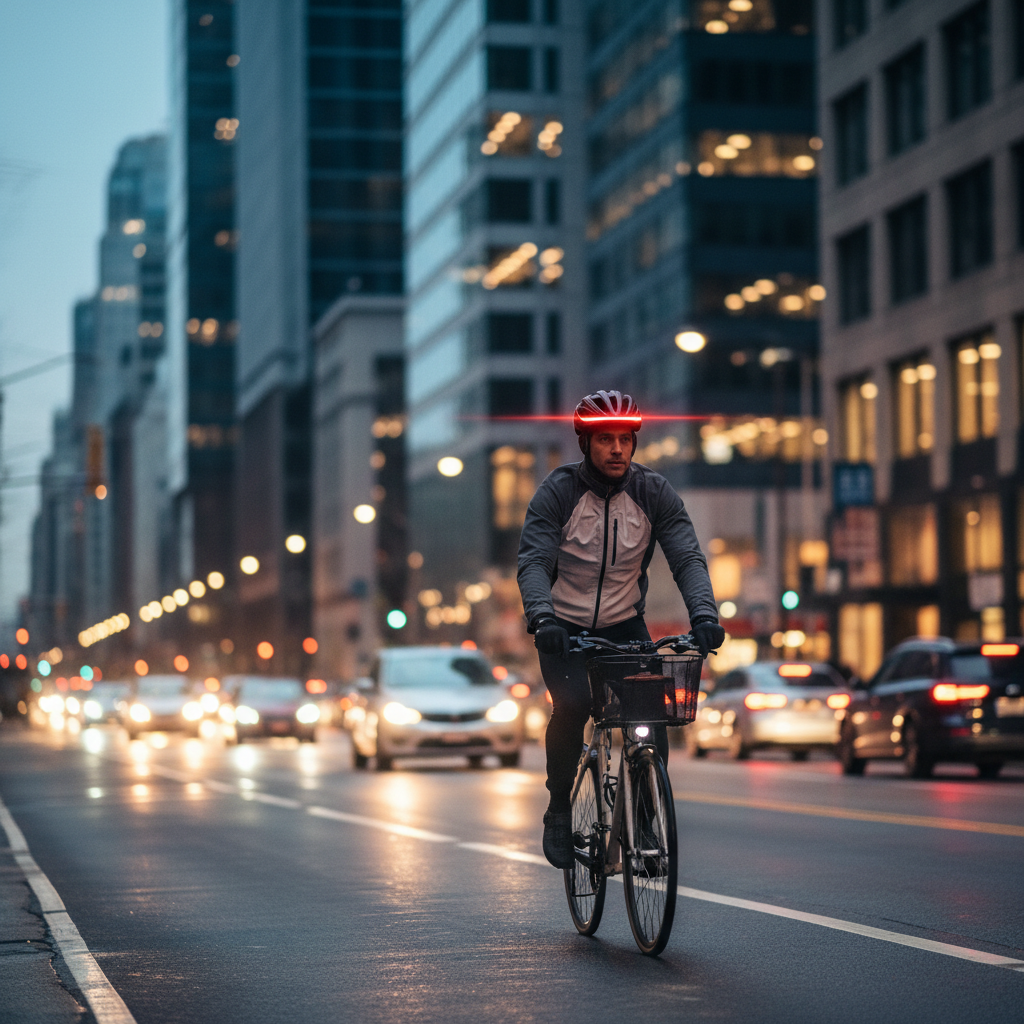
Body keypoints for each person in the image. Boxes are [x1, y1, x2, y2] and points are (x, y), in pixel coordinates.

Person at [517, 390, 724, 869]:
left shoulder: (653, 493)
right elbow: (533, 561)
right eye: (605, 439)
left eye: (625, 440)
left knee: (651, 714)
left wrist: (705, 616)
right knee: (572, 705)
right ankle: (559, 811)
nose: (616, 449)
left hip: (625, 622)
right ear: (585, 443)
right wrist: (542, 617)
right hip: (562, 628)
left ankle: (648, 822)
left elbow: (687, 558)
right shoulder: (558, 492)